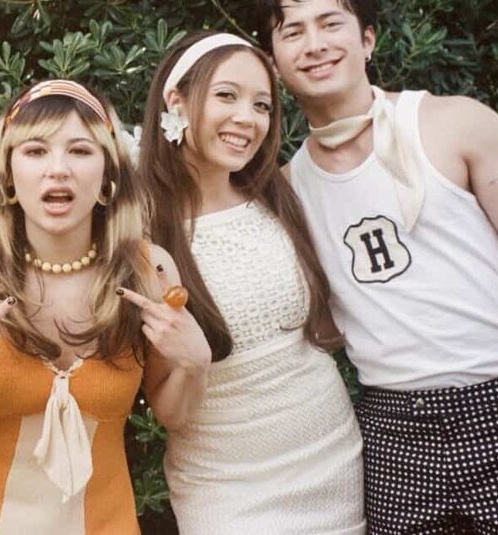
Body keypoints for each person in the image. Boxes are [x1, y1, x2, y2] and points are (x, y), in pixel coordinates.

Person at [258, 0, 498, 533]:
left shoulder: (454, 123)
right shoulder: (287, 191)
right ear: (274, 62)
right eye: (292, 31)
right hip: (394, 432)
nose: (314, 44)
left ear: (367, 39)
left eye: (331, 24)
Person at [0, 79, 212, 534]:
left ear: (108, 178)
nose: (58, 170)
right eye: (36, 151)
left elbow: (173, 415)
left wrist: (195, 363)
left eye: (80, 150)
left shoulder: (148, 272)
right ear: (8, 176)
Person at [138, 31, 366, 534]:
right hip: (227, 488)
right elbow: (171, 412)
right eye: (227, 95)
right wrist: (193, 364)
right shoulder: (141, 232)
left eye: (262, 105)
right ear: (176, 100)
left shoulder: (279, 195)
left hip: (333, 459)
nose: (248, 118)